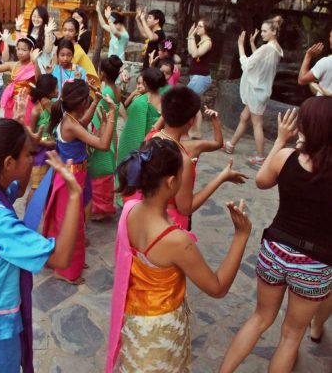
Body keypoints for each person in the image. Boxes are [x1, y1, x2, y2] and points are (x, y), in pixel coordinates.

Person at [106, 137, 252, 372]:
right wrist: (241, 236)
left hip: (134, 320)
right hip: (159, 331)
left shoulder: (130, 211)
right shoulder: (176, 241)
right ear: (172, 182)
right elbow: (217, 287)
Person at [0, 118, 81, 373]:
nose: (32, 159)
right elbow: (61, 258)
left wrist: (30, 143)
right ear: (8, 163)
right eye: (28, 155)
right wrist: (75, 194)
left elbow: (19, 189)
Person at [220, 99, 332, 372]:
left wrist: (280, 140)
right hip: (315, 262)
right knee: (291, 336)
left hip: (275, 250)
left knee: (259, 318)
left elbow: (261, 181)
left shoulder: (286, 157)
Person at [43, 79, 116, 285]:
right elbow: (102, 144)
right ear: (81, 102)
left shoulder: (71, 119)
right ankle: (64, 270)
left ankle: (67, 260)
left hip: (77, 176)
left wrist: (94, 103)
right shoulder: (69, 124)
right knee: (71, 223)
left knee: (78, 219)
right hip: (70, 179)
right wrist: (111, 115)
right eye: (88, 99)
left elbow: (82, 124)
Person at [146, 87, 247, 231]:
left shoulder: (151, 137)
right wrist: (221, 177)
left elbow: (218, 143)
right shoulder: (183, 158)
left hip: (147, 213)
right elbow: (185, 208)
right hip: (169, 221)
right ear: (191, 121)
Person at [224, 16, 284, 165]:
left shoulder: (267, 48)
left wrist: (240, 45)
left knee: (257, 123)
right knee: (244, 117)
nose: (262, 34)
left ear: (274, 31)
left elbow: (249, 63)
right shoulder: (276, 49)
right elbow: (260, 60)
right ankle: (231, 144)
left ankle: (260, 157)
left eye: (264, 31)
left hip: (257, 91)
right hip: (260, 90)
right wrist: (251, 43)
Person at [88, 56, 123, 220]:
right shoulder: (117, 89)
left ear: (102, 73)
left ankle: (99, 208)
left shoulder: (106, 91)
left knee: (98, 168)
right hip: (112, 131)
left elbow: (98, 116)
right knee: (108, 168)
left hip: (102, 131)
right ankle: (106, 205)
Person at [116, 68, 168, 170]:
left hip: (144, 150)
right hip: (160, 149)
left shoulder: (139, 103)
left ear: (145, 83)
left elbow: (131, 136)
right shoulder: (166, 101)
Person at [0, 37, 36, 125]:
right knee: (11, 128)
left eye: (24, 50)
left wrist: (36, 63)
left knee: (25, 130)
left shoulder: (34, 65)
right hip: (12, 103)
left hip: (27, 103)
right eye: (18, 49)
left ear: (31, 51)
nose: (20, 52)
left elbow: (40, 81)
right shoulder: (12, 65)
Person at [27, 74, 58, 203]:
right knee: (36, 186)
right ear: (49, 92)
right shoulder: (36, 111)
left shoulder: (55, 105)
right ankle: (28, 214)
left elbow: (60, 120)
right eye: (56, 88)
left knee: (50, 184)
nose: (58, 91)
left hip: (54, 151)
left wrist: (50, 108)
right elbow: (30, 135)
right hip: (40, 153)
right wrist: (46, 143)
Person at [186, 18, 213, 139]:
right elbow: (191, 51)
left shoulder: (207, 42)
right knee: (194, 104)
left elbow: (196, 54)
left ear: (207, 29)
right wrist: (190, 36)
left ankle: (194, 131)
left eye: (200, 26)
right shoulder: (201, 40)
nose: (197, 28)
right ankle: (196, 132)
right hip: (196, 76)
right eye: (197, 25)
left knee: (189, 101)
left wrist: (191, 37)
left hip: (201, 77)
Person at [57, 18, 100, 88]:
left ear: (76, 32)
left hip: (88, 87)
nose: (67, 33)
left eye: (70, 31)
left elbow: (64, 70)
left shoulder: (77, 51)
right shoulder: (67, 47)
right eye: (65, 30)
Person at [15, 6, 57, 74]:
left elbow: (47, 50)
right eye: (34, 16)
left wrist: (47, 33)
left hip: (42, 68)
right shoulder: (31, 31)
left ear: (44, 18)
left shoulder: (48, 32)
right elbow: (19, 46)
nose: (36, 19)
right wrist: (18, 28)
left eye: (39, 17)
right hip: (29, 66)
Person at [297, 27, 332, 96]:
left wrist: (308, 56)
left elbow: (301, 80)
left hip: (325, 104)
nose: (329, 39)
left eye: (331, 36)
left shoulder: (326, 62)